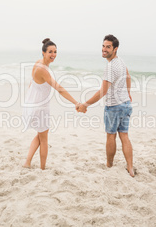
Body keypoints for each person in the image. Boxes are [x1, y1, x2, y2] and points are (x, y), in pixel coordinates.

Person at [77, 34, 135, 177]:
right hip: (126, 104)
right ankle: (130, 167)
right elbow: (128, 76)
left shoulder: (110, 67)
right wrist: (128, 93)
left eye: (108, 47)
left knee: (111, 136)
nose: (104, 49)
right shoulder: (120, 61)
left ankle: (109, 165)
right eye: (103, 46)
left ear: (115, 49)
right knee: (124, 136)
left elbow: (103, 91)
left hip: (114, 106)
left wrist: (85, 104)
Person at [23, 38, 80, 170]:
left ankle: (27, 162)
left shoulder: (38, 63)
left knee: (40, 134)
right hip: (40, 107)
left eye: (55, 52)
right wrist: (76, 102)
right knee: (44, 139)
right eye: (50, 52)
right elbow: (59, 89)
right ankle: (42, 168)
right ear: (43, 52)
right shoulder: (43, 70)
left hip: (34, 104)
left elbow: (31, 83)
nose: (53, 55)